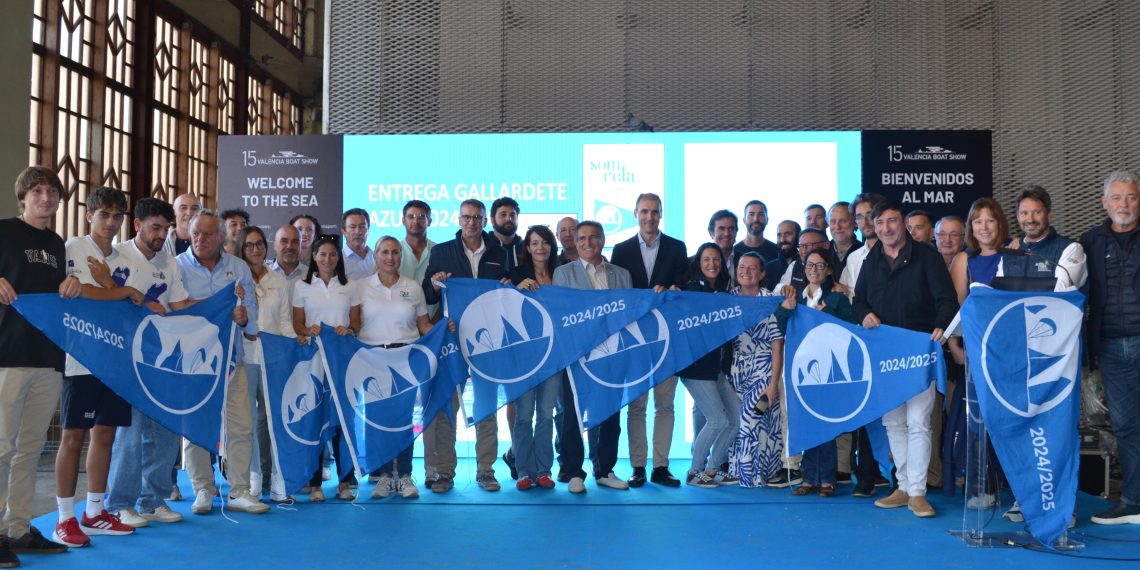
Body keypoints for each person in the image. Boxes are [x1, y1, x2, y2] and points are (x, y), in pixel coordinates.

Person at [854, 200, 957, 519]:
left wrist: (940, 327)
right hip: (886, 354)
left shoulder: (928, 257)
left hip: (919, 352)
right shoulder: (872, 260)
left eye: (892, 221)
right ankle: (901, 487)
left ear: (903, 224)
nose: (886, 228)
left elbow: (947, 302)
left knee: (919, 422)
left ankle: (918, 492)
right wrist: (865, 315)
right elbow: (859, 301)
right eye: (880, 222)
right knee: (893, 422)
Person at [0, 166, 82, 566]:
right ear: (24, 195)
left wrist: (71, 285)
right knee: (1, 447)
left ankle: (15, 528)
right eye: (38, 190)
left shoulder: (56, 244)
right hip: (7, 354)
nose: (46, 197)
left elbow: (58, 293)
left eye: (53, 191)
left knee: (30, 449)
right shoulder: (3, 231)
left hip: (46, 357)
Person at [52, 187, 140, 547]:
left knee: (105, 434)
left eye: (117, 215)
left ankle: (94, 512)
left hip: (115, 359)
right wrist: (119, 290)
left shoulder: (125, 256)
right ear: (89, 216)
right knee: (73, 437)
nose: (110, 222)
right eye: (104, 214)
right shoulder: (74, 247)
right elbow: (82, 294)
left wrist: (116, 287)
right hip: (82, 357)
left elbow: (139, 301)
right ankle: (64, 518)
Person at [104, 198, 192, 526]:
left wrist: (221, 306)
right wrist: (137, 303)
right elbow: (102, 302)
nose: (161, 234)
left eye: (166, 228)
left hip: (162, 357)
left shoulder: (169, 262)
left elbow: (180, 305)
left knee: (166, 431)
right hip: (126, 357)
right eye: (155, 227)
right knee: (131, 433)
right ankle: (120, 503)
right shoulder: (115, 256)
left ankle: (152, 499)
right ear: (137, 225)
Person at [176, 211, 269, 515]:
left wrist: (244, 319)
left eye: (208, 234)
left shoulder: (238, 267)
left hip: (232, 359)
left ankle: (239, 490)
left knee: (241, 426)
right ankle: (203, 489)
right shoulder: (177, 267)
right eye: (196, 234)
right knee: (194, 427)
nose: (201, 240)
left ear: (221, 237)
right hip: (193, 363)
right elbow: (171, 312)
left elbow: (251, 311)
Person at [422, 198, 507, 493]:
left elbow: (505, 295)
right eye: (466, 217)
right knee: (448, 408)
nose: (471, 222)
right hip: (452, 340)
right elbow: (428, 295)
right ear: (458, 220)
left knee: (486, 408)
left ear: (485, 221)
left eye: (477, 217)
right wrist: (434, 283)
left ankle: (486, 470)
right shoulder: (442, 251)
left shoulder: (499, 251)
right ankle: (445, 472)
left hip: (488, 342)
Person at [610, 193, 687, 488]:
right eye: (644, 211)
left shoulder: (677, 248)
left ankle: (662, 466)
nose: (650, 217)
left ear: (661, 214)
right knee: (637, 406)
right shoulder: (621, 250)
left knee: (665, 406)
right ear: (635, 213)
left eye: (655, 212)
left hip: (668, 339)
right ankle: (639, 467)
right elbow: (618, 296)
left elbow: (683, 287)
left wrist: (672, 288)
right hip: (635, 341)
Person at [553, 221, 631, 493]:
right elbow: (563, 315)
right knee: (572, 416)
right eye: (582, 238)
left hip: (612, 354)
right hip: (576, 356)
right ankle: (574, 471)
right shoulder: (563, 273)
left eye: (594, 237)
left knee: (609, 414)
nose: (588, 242)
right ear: (574, 241)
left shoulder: (622, 274)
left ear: (603, 239)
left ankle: (605, 469)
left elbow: (627, 314)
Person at [1082, 171, 1140, 525]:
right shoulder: (1089, 242)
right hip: (1112, 347)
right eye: (1117, 198)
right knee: (1127, 426)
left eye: (1131, 197)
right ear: (1105, 203)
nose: (1124, 204)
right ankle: (1133, 502)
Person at [355, 236, 431, 500]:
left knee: (403, 419)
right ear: (375, 256)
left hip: (405, 361)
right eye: (385, 252)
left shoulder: (413, 287)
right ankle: (385, 477)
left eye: (395, 253)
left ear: (401, 257)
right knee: (377, 420)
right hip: (372, 361)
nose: (390, 257)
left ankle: (406, 475)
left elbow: (424, 327)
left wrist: (446, 330)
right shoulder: (360, 287)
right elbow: (352, 327)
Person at [776, 249, 854, 498]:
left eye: (821, 266)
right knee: (806, 421)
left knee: (826, 423)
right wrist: (786, 309)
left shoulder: (837, 298)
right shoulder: (795, 298)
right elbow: (779, 326)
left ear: (829, 270)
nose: (815, 270)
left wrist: (822, 317)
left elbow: (850, 329)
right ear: (804, 269)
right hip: (801, 371)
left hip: (830, 370)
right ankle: (809, 478)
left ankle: (827, 479)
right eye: (810, 265)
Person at [293, 235, 362, 501]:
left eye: (333, 255)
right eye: (322, 254)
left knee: (343, 420)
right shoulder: (301, 286)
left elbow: (356, 322)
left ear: (338, 258)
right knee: (314, 419)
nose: (328, 260)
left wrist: (350, 329)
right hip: (313, 362)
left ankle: (345, 481)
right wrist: (306, 329)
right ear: (313, 257)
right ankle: (314, 483)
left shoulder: (350, 286)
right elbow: (298, 323)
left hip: (343, 361)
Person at [236, 227, 295, 502]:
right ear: (241, 249)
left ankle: (280, 482)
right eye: (249, 246)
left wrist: (295, 345)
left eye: (260, 244)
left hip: (273, 359)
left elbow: (285, 323)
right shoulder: (234, 278)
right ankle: (253, 483)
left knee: (275, 422)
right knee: (245, 423)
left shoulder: (279, 281)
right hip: (244, 358)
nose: (256, 250)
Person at [679, 244, 740, 488]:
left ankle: (713, 469)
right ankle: (695, 472)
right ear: (698, 263)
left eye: (716, 259)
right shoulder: (692, 289)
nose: (712, 264)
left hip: (716, 367)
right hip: (696, 367)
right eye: (706, 259)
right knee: (717, 420)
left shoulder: (724, 292)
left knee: (736, 418)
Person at [839, 192, 887, 497]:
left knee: (898, 412)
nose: (865, 221)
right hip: (864, 344)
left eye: (871, 215)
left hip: (895, 342)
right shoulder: (853, 259)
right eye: (860, 216)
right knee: (867, 412)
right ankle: (867, 475)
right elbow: (848, 300)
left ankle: (901, 477)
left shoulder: (901, 251)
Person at [508, 226, 561, 491]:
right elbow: (502, 307)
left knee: (546, 416)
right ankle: (524, 471)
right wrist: (516, 290)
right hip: (525, 357)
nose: (541, 247)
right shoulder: (515, 275)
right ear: (527, 248)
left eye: (545, 242)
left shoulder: (561, 274)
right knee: (524, 415)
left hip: (554, 357)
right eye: (535, 243)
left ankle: (543, 470)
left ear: (552, 246)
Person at [727, 253, 783, 488]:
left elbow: (777, 345)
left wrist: (773, 383)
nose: (746, 271)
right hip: (737, 370)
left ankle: (751, 475)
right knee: (740, 421)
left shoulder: (770, 301)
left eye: (752, 268)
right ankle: (738, 472)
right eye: (742, 267)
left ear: (762, 274)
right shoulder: (727, 300)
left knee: (751, 416)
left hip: (765, 368)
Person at [998, 185, 1087, 291]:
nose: (1030, 219)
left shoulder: (1071, 249)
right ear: (1017, 216)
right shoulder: (1011, 252)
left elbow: (1060, 295)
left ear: (1049, 214)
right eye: (1024, 213)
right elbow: (1000, 294)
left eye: (1037, 212)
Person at [776, 228, 830, 293]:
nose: (804, 251)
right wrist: (783, 288)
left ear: (825, 245)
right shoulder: (795, 265)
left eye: (809, 245)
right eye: (801, 246)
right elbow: (779, 288)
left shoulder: (835, 265)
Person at [734, 200, 780, 265]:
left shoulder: (777, 252)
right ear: (744, 220)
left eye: (761, 214)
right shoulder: (734, 253)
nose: (756, 219)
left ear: (767, 219)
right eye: (751, 214)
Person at [763, 220, 800, 291]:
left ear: (799, 236)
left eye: (788, 234)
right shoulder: (768, 268)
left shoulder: (806, 265)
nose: (782, 239)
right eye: (779, 235)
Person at [341, 208, 375, 281]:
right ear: (344, 231)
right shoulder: (337, 261)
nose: (358, 232)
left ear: (368, 229)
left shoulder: (377, 258)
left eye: (362, 227)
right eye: (352, 227)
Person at [490, 197, 523, 272]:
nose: (509, 219)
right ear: (492, 220)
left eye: (512, 215)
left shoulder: (526, 249)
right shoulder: (484, 247)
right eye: (503, 215)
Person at [828, 201, 861, 272]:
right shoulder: (822, 251)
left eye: (843, 221)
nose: (837, 227)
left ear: (855, 222)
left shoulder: (866, 253)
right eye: (833, 222)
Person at [708, 210, 739, 282]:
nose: (726, 233)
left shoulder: (745, 260)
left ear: (736, 232)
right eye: (721, 229)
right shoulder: (694, 262)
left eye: (731, 229)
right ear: (711, 233)